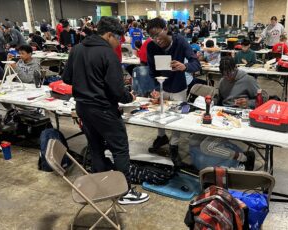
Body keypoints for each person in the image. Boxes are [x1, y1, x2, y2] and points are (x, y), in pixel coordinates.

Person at [62, 16, 149, 205]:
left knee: (96, 147)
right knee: (120, 149)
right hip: (103, 109)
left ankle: (102, 184)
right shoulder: (108, 54)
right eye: (118, 38)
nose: (119, 43)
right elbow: (117, 90)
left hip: (83, 108)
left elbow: (67, 79)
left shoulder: (77, 49)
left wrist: (86, 82)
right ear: (109, 35)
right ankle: (124, 192)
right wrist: (129, 97)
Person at [145, 17, 201, 167]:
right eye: (152, 37)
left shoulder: (180, 42)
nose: (157, 40)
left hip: (178, 86)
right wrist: (155, 89)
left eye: (158, 34)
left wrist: (185, 66)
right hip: (161, 86)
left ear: (165, 29)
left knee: (176, 117)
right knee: (159, 113)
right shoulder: (151, 47)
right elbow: (151, 70)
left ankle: (174, 145)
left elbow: (196, 64)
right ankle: (161, 137)